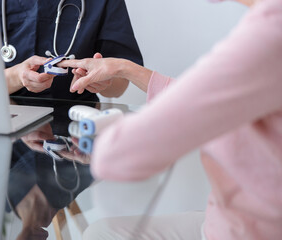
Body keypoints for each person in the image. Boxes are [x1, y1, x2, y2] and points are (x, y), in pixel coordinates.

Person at [58, 0, 282, 239]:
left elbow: (119, 155)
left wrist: (102, 130)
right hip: (231, 220)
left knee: (99, 235)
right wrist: (123, 68)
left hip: (249, 231)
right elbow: (207, 99)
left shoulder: (270, 33)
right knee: (101, 231)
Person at [0, 0, 143, 101]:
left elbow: (119, 87)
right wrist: (16, 76)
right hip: (9, 120)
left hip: (76, 125)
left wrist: (104, 80)